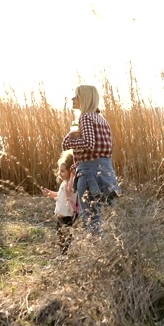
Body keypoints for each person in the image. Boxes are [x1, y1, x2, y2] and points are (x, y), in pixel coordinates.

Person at [62, 85, 121, 234]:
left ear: (85, 99)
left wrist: (69, 141)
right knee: (105, 215)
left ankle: (95, 251)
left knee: (90, 217)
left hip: (89, 174)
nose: (73, 99)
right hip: (106, 173)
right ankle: (111, 249)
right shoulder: (101, 119)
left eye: (76, 96)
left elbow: (89, 143)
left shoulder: (85, 118)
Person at [41, 150, 78, 254]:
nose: (60, 173)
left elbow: (70, 191)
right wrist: (50, 193)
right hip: (60, 216)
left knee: (66, 238)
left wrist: (72, 175)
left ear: (70, 172)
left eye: (63, 171)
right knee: (61, 237)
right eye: (60, 170)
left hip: (67, 217)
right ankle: (64, 254)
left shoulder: (71, 184)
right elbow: (60, 194)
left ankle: (65, 255)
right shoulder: (64, 183)